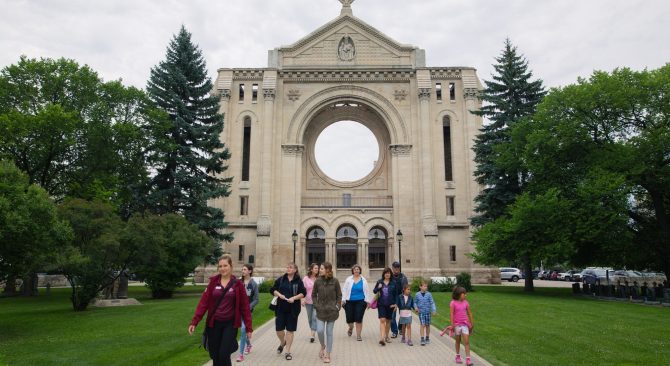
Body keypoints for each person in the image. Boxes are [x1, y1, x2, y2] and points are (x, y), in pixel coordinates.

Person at [188, 255, 253, 366]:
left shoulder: (238, 285)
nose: (223, 268)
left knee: (224, 354)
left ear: (231, 266)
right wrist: (195, 321)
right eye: (220, 266)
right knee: (215, 355)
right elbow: (203, 303)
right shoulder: (213, 282)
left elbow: (245, 307)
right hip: (214, 324)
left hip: (230, 324)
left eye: (225, 265)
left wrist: (248, 327)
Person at [271, 263, 306, 361]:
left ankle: (287, 351)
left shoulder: (298, 281)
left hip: (293, 309)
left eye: (290, 267)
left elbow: (303, 293)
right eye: (287, 267)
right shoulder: (281, 279)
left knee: (290, 330)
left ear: (295, 270)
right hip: (280, 308)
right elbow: (272, 289)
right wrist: (279, 294)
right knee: (279, 329)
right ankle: (283, 342)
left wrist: (294, 298)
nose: (288, 269)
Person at [312, 262, 342, 364]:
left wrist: (337, 307)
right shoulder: (317, 281)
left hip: (332, 312)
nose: (319, 270)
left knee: (329, 332)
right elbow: (313, 295)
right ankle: (322, 345)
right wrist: (316, 305)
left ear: (327, 270)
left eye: (321, 268)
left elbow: (339, 296)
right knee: (320, 330)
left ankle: (328, 354)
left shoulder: (335, 281)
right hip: (320, 311)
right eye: (319, 268)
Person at [440, 286, 474, 366]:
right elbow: (451, 314)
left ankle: (468, 359)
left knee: (466, 341)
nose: (465, 295)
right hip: (457, 325)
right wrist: (452, 325)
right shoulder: (453, 303)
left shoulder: (466, 302)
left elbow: (469, 313)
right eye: (464, 294)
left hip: (465, 324)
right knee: (458, 340)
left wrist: (472, 324)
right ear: (459, 294)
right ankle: (457, 356)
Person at [341, 264, 372, 341]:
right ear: (353, 271)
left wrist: (368, 302)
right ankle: (351, 328)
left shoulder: (363, 280)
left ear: (360, 271)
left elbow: (367, 291)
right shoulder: (348, 279)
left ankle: (358, 335)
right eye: (355, 269)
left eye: (358, 269)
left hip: (361, 301)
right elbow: (344, 290)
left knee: (359, 318)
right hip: (349, 301)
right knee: (349, 319)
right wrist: (342, 300)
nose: (356, 270)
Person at [237, 264, 259, 362]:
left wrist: (248, 307)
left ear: (250, 271)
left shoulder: (253, 284)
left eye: (245, 269)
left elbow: (256, 299)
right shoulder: (238, 282)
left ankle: (240, 355)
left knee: (243, 330)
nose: (243, 271)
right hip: (237, 311)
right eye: (242, 269)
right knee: (243, 331)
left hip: (247, 312)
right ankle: (248, 344)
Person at [372, 267, 397, 346]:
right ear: (384, 274)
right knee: (382, 320)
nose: (387, 274)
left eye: (389, 273)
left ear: (390, 274)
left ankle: (386, 336)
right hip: (381, 304)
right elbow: (374, 291)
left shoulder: (393, 282)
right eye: (386, 273)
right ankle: (382, 338)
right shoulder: (380, 282)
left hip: (390, 305)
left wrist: (396, 304)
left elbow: (396, 295)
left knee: (388, 321)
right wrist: (378, 287)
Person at [414, 280, 437, 346]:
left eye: (426, 286)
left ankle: (427, 337)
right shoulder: (417, 294)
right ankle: (422, 338)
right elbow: (415, 302)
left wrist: (434, 310)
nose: (425, 287)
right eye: (424, 286)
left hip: (428, 312)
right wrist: (416, 308)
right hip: (421, 312)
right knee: (422, 325)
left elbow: (432, 302)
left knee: (427, 325)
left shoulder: (429, 294)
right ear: (420, 287)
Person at [301, 263, 319, 343]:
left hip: (318, 301)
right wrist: (302, 299)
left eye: (317, 268)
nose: (317, 270)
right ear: (311, 269)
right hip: (308, 301)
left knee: (315, 317)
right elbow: (302, 290)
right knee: (310, 318)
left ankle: (312, 335)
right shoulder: (305, 278)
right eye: (315, 268)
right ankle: (313, 329)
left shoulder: (320, 278)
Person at [389, 261, 408, 338]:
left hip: (402, 298)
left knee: (403, 315)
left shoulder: (403, 277)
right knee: (392, 316)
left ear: (399, 268)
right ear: (392, 268)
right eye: (395, 267)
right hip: (393, 299)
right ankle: (394, 331)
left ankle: (400, 328)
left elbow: (406, 289)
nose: (396, 269)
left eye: (397, 267)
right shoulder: (390, 277)